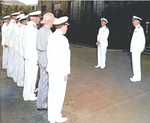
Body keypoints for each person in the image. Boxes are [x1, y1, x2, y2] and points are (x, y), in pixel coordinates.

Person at [46, 16, 71, 123]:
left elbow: (49, 55)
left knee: (52, 93)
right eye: (66, 26)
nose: (67, 28)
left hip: (52, 69)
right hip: (60, 71)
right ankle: (57, 116)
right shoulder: (62, 39)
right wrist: (66, 72)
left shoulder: (51, 37)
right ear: (63, 26)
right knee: (59, 94)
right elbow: (65, 58)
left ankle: (51, 117)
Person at [36, 13, 55, 110]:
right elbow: (50, 49)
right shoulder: (48, 32)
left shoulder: (40, 30)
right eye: (52, 21)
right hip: (46, 57)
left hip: (41, 56)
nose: (53, 23)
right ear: (49, 22)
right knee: (45, 82)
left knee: (42, 81)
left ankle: (41, 102)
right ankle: (42, 104)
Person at [23, 11, 41, 101]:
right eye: (38, 17)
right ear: (34, 18)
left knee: (29, 75)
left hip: (29, 54)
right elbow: (35, 44)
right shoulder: (32, 28)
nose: (39, 19)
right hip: (33, 55)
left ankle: (27, 94)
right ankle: (29, 95)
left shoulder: (28, 27)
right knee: (31, 76)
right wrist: (38, 56)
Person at [130, 15, 146, 82]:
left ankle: (136, 77)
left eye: (133, 21)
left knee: (135, 63)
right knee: (136, 63)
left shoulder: (139, 29)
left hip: (137, 49)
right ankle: (138, 77)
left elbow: (143, 39)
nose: (132, 22)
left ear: (137, 21)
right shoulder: (137, 28)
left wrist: (142, 48)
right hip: (135, 48)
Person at [5, 12, 20, 78]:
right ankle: (10, 73)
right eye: (16, 16)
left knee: (12, 59)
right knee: (11, 59)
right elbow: (9, 34)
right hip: (12, 44)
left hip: (13, 44)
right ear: (13, 17)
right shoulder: (12, 24)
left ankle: (11, 72)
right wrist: (7, 43)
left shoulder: (14, 23)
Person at [17, 15, 29, 87]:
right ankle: (20, 81)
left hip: (20, 49)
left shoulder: (20, 28)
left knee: (21, 66)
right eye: (27, 20)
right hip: (22, 50)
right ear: (24, 21)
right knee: (22, 67)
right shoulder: (23, 29)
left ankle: (20, 80)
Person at [13, 13, 25, 83]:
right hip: (20, 49)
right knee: (21, 66)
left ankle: (16, 78)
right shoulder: (21, 28)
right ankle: (20, 81)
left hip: (17, 48)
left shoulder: (17, 26)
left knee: (17, 64)